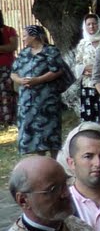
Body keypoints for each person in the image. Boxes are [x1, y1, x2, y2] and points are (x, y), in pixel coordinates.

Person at [10, 26, 69, 158]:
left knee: (51, 135)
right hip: (28, 102)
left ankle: (55, 161)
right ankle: (40, 162)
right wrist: (21, 80)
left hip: (47, 101)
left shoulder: (50, 51)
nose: (23, 38)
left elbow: (57, 70)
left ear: (34, 36)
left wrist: (38, 80)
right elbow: (13, 73)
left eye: (25, 35)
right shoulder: (24, 53)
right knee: (34, 138)